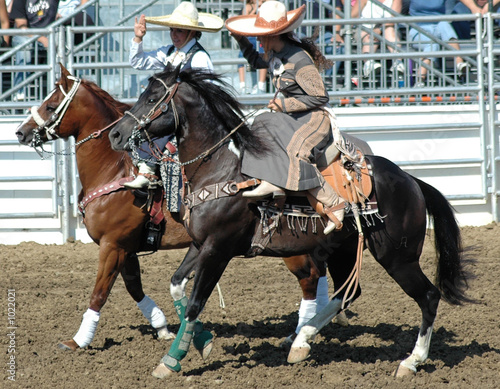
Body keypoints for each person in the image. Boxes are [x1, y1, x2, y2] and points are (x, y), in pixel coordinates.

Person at [226, 1, 345, 235]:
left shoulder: (299, 59)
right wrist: (240, 39)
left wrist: (283, 104)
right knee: (260, 123)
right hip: (293, 117)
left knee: (297, 153)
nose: (258, 40)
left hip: (314, 118)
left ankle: (334, 203)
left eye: (261, 36)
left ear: (274, 35)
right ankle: (270, 180)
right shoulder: (276, 53)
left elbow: (320, 96)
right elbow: (255, 62)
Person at [126, 1, 223, 189]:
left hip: (189, 118)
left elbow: (209, 95)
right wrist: (138, 39)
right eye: (172, 30)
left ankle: (147, 168)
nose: (174, 35)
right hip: (171, 111)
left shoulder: (199, 57)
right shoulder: (169, 52)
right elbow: (138, 62)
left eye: (179, 31)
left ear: (191, 32)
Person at [409, 0, 470, 86]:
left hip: (438, 27)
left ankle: (459, 63)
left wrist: (477, 9)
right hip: (418, 28)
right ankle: (420, 80)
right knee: (432, 44)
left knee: (444, 24)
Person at [9, 0, 59, 100]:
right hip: (26, 35)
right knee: (24, 45)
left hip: (49, 34)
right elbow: (21, 26)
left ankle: (58, 91)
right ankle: (20, 93)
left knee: (60, 42)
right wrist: (41, 38)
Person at [359, 0, 405, 78]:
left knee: (389, 29)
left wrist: (379, 29)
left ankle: (397, 63)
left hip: (388, 27)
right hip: (366, 28)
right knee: (370, 35)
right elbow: (352, 16)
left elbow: (393, 18)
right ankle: (369, 63)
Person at [237, 0, 267, 94]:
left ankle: (261, 85)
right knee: (240, 56)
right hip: (250, 36)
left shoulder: (266, 5)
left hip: (261, 35)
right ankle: (242, 86)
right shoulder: (248, 6)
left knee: (263, 55)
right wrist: (254, 10)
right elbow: (244, 19)